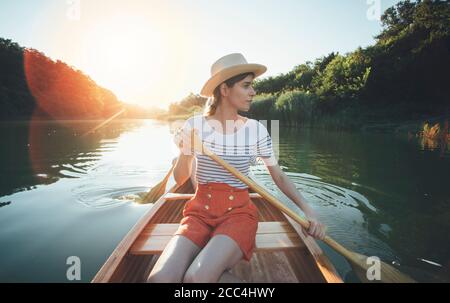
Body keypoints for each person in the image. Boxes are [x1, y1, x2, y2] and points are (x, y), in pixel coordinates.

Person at [148, 53, 326, 283]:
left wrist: (308, 211)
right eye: (246, 86)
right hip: (199, 212)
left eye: (252, 86)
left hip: (238, 214)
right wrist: (186, 151)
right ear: (224, 89)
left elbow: (279, 176)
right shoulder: (194, 125)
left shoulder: (256, 130)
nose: (253, 92)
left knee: (196, 278)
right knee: (159, 279)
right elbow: (181, 177)